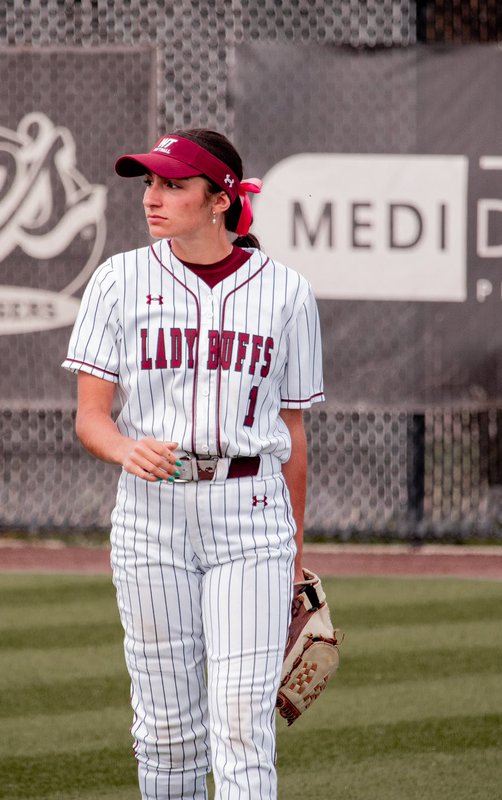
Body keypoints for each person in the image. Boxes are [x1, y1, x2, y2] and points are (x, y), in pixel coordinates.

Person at [62, 129, 324, 800]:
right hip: (152, 515)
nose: (153, 197)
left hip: (252, 514)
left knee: (242, 724)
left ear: (220, 201)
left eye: (173, 185)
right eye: (149, 183)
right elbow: (92, 415)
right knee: (168, 730)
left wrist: (294, 554)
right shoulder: (119, 280)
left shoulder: (287, 293)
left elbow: (290, 431)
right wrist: (125, 447)